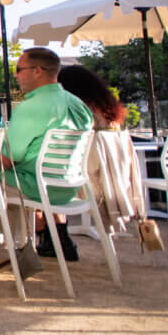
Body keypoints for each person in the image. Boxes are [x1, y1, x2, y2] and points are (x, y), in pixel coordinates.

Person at [0, 48, 94, 262]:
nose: (16, 75)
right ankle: (19, 245)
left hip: (36, 187)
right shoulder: (79, 105)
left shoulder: (31, 107)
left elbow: (8, 159)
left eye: (19, 69)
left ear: (37, 71)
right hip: (68, 188)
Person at [58, 65, 144, 227]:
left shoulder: (82, 111)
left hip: (89, 174)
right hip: (112, 174)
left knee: (36, 180)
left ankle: (54, 234)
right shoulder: (108, 110)